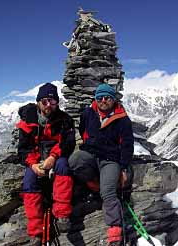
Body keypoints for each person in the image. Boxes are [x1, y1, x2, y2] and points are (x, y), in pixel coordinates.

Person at [68, 83, 134, 246]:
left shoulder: (122, 119)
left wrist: (124, 167)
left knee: (109, 192)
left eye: (107, 98)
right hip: (91, 154)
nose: (103, 101)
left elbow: (127, 145)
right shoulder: (88, 113)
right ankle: (96, 186)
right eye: (100, 98)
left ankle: (115, 227)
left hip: (110, 160)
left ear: (113, 99)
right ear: (95, 99)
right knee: (75, 161)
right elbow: (83, 131)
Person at [17, 83, 76, 245]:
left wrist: (53, 157)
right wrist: (34, 165)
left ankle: (62, 214)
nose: (49, 105)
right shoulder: (27, 122)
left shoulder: (65, 120)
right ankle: (36, 231)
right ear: (38, 102)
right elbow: (23, 149)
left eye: (52, 101)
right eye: (44, 101)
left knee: (63, 166)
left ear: (57, 103)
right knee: (29, 180)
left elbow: (67, 143)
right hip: (36, 162)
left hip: (56, 159)